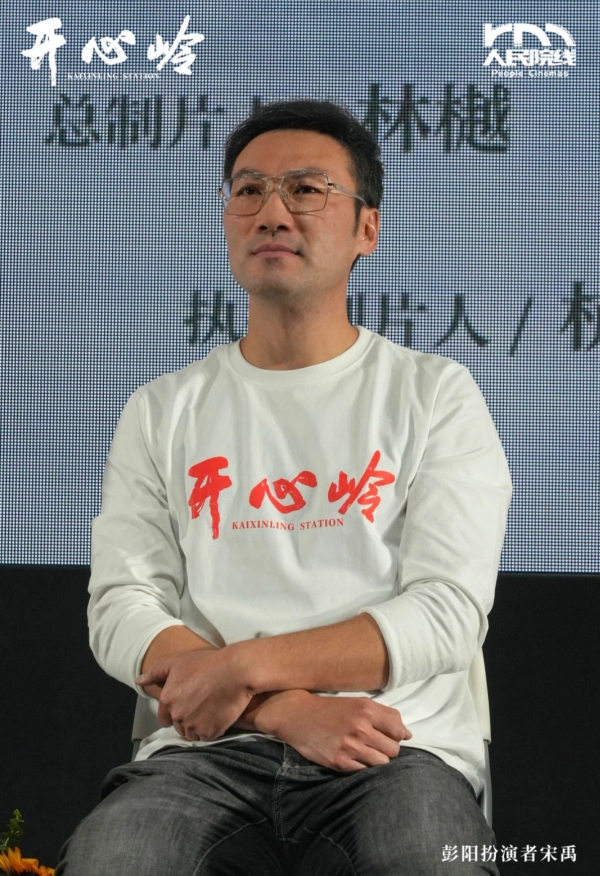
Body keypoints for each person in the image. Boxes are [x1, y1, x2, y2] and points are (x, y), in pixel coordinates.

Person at [56, 99, 512, 875]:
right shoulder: (162, 408)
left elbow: (445, 614)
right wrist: (284, 711)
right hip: (204, 753)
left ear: (368, 229)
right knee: (114, 859)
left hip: (393, 748)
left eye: (306, 189)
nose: (272, 212)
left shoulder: (434, 394)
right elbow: (123, 608)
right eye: (249, 191)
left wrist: (240, 669)